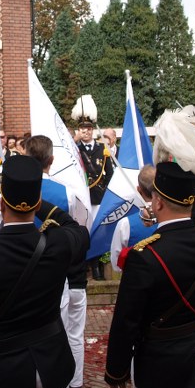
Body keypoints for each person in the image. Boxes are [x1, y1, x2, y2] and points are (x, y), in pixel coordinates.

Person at [0, 155, 90, 388]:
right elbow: (78, 228)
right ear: (37, 205)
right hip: (51, 364)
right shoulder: (58, 244)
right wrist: (38, 203)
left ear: (1, 204)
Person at [105, 161, 195, 388]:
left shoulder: (144, 256)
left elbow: (126, 320)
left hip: (162, 362)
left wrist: (115, 369)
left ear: (157, 202)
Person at [24, 135, 86, 388]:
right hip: (59, 270)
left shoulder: (16, 190)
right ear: (51, 160)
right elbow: (78, 229)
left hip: (26, 271)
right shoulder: (67, 192)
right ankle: (73, 381)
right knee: (63, 332)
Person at [77, 120, 113, 281]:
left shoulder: (101, 149)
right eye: (83, 129)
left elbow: (109, 173)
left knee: (97, 230)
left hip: (98, 195)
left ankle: (97, 265)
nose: (87, 132)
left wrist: (105, 190)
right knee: (83, 230)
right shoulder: (75, 149)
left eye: (89, 128)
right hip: (82, 195)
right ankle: (83, 265)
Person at [110, 165, 158, 273]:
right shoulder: (172, 218)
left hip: (136, 281)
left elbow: (116, 263)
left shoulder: (125, 224)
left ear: (138, 189)